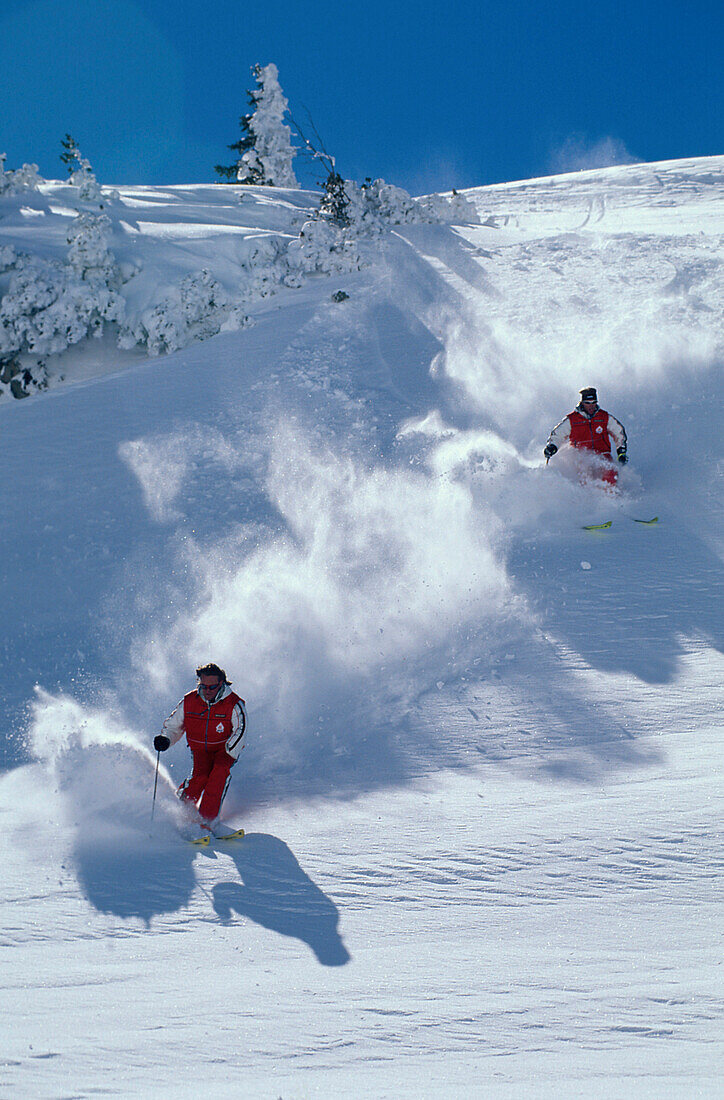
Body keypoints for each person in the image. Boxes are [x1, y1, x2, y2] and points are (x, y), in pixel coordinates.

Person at [154, 663, 247, 828]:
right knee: (200, 777)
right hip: (200, 751)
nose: (208, 690)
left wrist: (229, 751)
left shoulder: (233, 703)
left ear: (222, 684)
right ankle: (181, 814)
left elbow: (241, 729)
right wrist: (165, 739)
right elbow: (174, 726)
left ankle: (207, 820)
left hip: (223, 751)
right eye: (204, 686)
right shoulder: (190, 701)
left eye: (212, 686)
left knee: (218, 775)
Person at [544, 386, 627, 485]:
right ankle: (586, 498)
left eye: (594, 402)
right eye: (588, 403)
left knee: (610, 473)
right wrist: (552, 446)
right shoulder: (572, 419)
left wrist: (621, 450)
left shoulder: (604, 417)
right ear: (582, 403)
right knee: (586, 476)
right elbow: (558, 435)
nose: (591, 406)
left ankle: (610, 497)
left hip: (602, 455)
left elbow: (619, 432)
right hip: (581, 457)